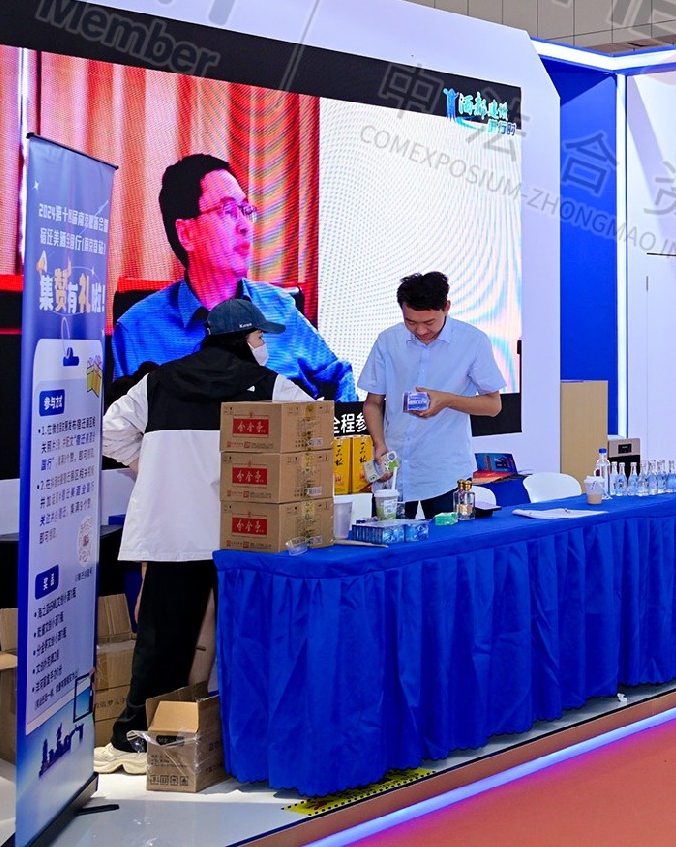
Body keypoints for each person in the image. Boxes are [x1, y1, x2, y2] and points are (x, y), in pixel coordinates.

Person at [95, 297, 311, 775]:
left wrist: (150, 465)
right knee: (250, 639)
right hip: (245, 535)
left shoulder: (159, 380)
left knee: (161, 643)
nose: (263, 345)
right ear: (244, 339)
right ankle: (244, 739)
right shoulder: (270, 385)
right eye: (260, 337)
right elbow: (310, 434)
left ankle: (136, 738)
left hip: (172, 530)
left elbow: (110, 431)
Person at [112, 154, 357, 400]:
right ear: (186, 233)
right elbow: (125, 418)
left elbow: (339, 376)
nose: (245, 226)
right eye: (228, 210)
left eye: (246, 210)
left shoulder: (279, 309)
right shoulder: (137, 329)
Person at [360, 271, 506, 517]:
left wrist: (447, 400)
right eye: (410, 322)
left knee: (449, 541)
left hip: (445, 475)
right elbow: (373, 403)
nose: (420, 330)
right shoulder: (388, 341)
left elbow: (493, 405)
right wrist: (379, 443)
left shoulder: (472, 341)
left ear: (446, 307)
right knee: (388, 541)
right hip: (393, 473)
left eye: (429, 322)